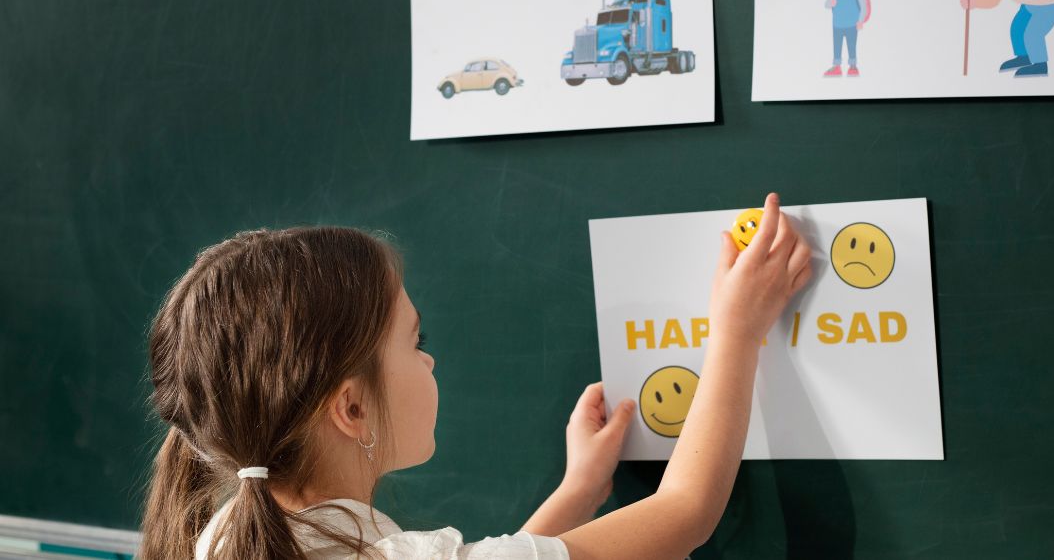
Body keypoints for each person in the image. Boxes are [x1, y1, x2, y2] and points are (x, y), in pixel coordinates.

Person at [140, 193, 813, 559]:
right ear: (351, 408)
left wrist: (578, 491)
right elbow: (685, 515)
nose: (429, 359)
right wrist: (738, 328)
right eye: (415, 341)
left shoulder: (234, 533)